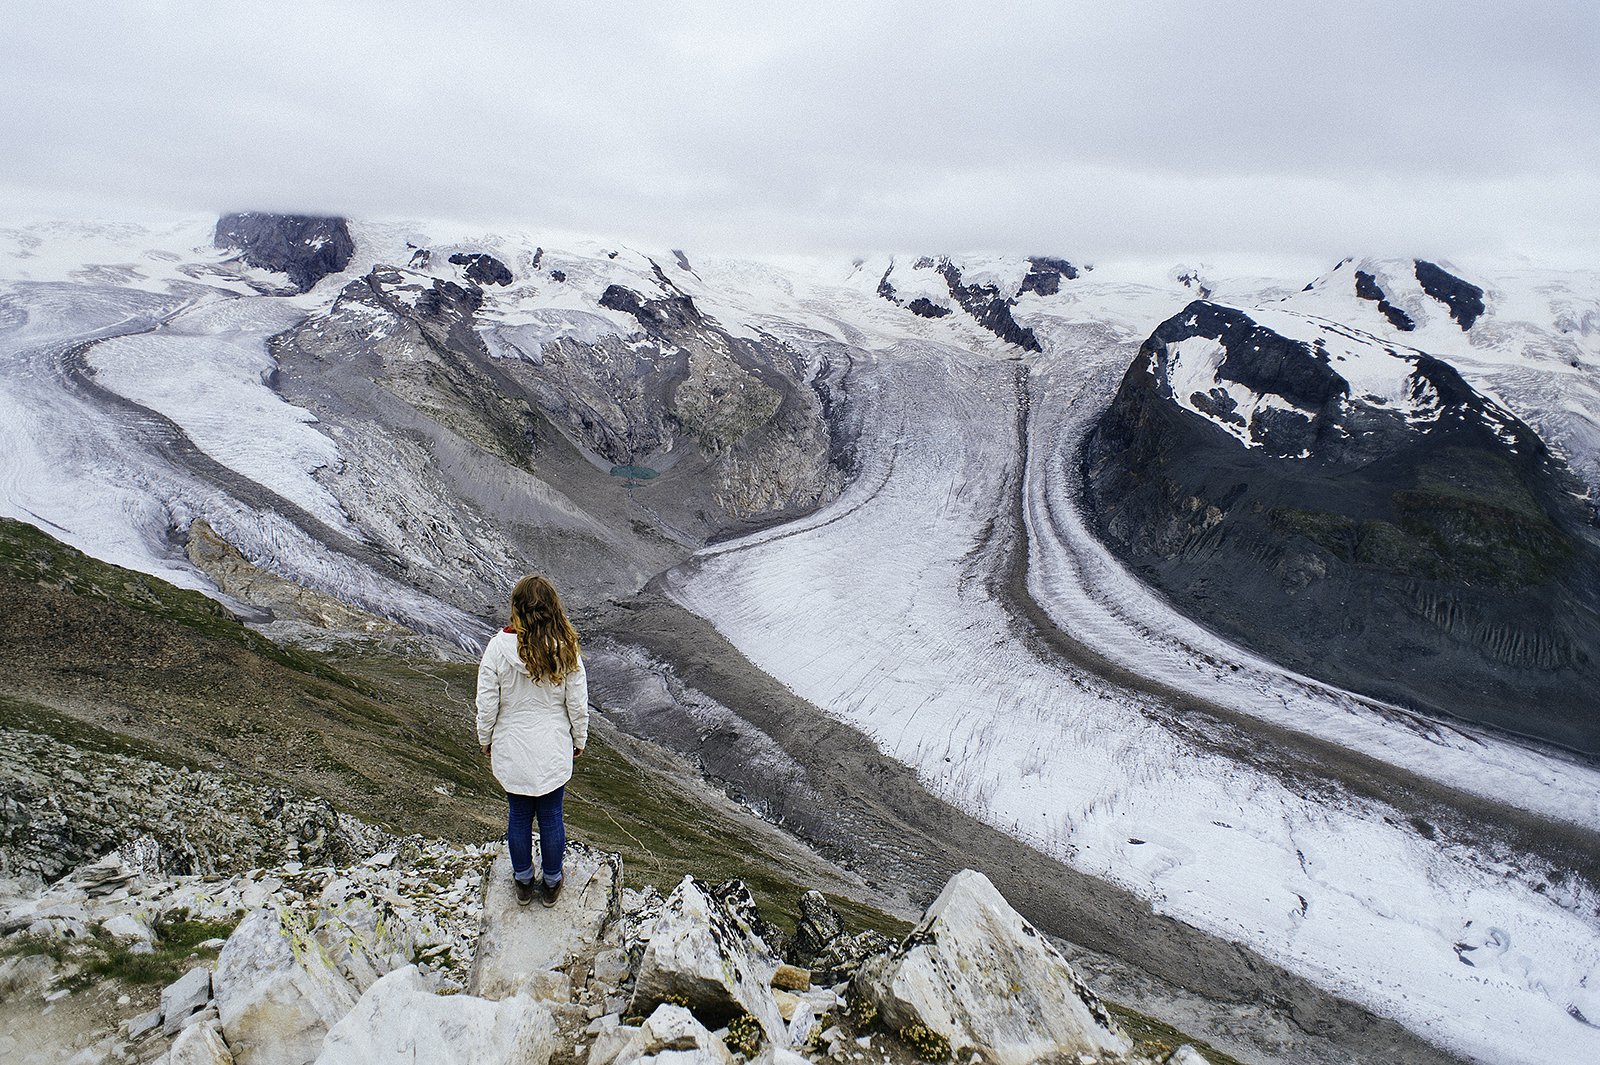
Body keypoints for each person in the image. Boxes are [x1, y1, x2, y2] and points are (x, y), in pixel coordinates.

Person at [476, 574, 589, 907]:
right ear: (553, 607)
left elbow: (487, 701)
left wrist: (486, 738)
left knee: (519, 815)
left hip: (512, 745)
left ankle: (523, 881)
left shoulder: (497, 648)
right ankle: (552, 881)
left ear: (516, 607)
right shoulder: (566, 648)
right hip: (553, 744)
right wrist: (578, 738)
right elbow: (577, 702)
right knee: (552, 815)